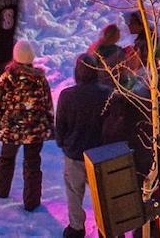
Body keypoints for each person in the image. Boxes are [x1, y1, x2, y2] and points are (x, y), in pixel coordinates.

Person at [0, 41, 54, 212]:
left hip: (12, 128)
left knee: (6, 159)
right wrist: (49, 125)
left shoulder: (7, 78)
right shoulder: (40, 79)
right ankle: (32, 201)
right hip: (34, 129)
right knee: (32, 163)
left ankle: (1, 188)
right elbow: (48, 104)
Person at [54, 53, 113, 238]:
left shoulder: (67, 95)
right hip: (100, 155)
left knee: (74, 193)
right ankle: (107, 227)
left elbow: (60, 125)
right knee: (102, 195)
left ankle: (76, 227)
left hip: (75, 153)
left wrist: (62, 143)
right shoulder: (108, 93)